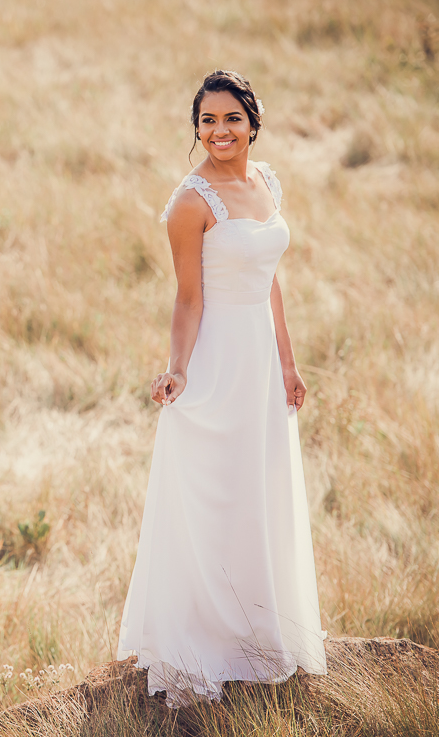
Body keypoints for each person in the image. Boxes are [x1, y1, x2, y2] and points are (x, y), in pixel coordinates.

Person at [116, 69, 327, 706]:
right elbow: (187, 297)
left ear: (253, 123)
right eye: (207, 120)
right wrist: (178, 368)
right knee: (215, 499)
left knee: (260, 494)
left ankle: (261, 636)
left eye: (231, 118)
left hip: (261, 364)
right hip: (217, 365)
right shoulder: (190, 203)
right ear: (196, 128)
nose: (219, 131)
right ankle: (204, 642)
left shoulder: (267, 184)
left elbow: (269, 280)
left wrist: (287, 364)